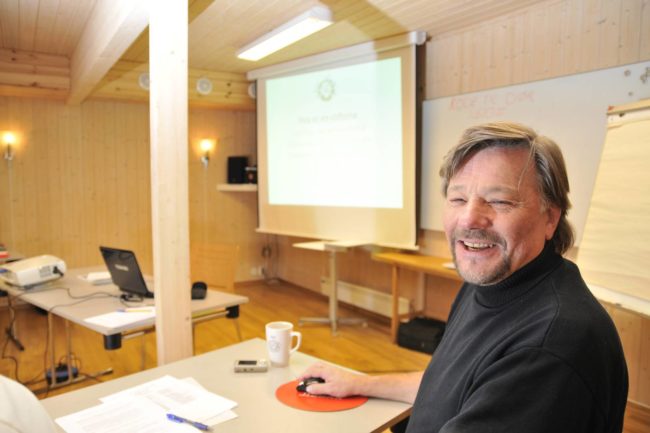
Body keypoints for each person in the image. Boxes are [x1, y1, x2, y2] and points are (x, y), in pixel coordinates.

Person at [299, 122, 628, 433]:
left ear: (550, 219)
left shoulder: (551, 344)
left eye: (499, 201)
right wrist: (360, 383)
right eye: (457, 199)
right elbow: (451, 387)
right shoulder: (488, 284)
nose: (469, 218)